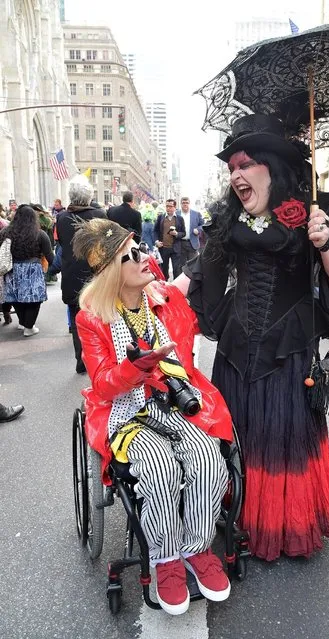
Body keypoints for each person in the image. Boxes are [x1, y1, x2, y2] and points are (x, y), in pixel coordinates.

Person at [174, 114, 329, 561]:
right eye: (231, 168)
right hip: (238, 343)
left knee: (281, 434)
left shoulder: (314, 211)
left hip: (289, 348)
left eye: (245, 164)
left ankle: (281, 525)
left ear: (272, 166)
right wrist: (160, 293)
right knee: (237, 430)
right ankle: (235, 511)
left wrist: (323, 243)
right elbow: (202, 267)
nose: (236, 175)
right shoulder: (229, 218)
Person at [73, 218, 232, 615]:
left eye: (141, 249)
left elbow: (199, 298)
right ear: (113, 270)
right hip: (122, 411)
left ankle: (197, 548)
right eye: (133, 255)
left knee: (210, 460)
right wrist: (135, 367)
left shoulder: (158, 298)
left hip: (166, 401)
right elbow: (103, 384)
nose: (145, 257)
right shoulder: (92, 317)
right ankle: (166, 559)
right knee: (160, 468)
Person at [56, 175, 107, 373]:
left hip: (71, 274)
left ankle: (81, 359)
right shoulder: (99, 215)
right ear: (89, 196)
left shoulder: (61, 218)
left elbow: (61, 243)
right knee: (100, 316)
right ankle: (99, 360)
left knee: (78, 320)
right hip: (95, 273)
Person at [0, 205, 54, 335]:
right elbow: (50, 257)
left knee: (16, 298)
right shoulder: (40, 234)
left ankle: (23, 322)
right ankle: (29, 327)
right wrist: (53, 269)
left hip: (12, 270)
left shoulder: (5, 232)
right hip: (32, 270)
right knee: (34, 299)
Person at [154, 198, 185, 280]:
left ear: (175, 207)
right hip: (163, 248)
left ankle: (176, 288)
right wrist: (156, 241)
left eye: (170, 206)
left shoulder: (179, 219)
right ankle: (165, 287)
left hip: (175, 248)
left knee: (176, 270)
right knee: (164, 270)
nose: (168, 208)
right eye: (167, 206)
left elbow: (183, 233)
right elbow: (155, 231)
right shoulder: (161, 217)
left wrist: (177, 234)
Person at [177, 197, 204, 265]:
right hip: (180, 243)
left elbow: (203, 225)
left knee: (193, 266)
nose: (185, 204)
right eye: (183, 203)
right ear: (180, 204)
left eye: (187, 203)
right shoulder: (176, 214)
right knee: (181, 266)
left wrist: (198, 229)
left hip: (192, 243)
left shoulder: (196, 214)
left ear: (189, 204)